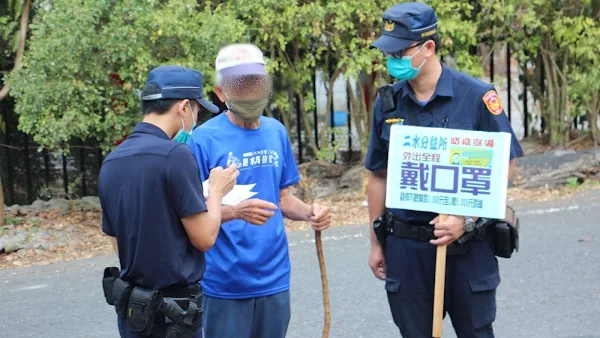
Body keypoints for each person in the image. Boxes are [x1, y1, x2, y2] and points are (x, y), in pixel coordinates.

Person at [365, 2, 524, 338]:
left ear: (428, 47)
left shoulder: (477, 96)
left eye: (400, 51)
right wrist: (376, 242)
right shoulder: (388, 102)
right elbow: (378, 175)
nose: (392, 60)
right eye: (388, 52)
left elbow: (505, 164)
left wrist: (464, 217)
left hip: (468, 245)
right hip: (406, 247)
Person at [187, 43, 332, 338]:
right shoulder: (202, 140)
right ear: (220, 92)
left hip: (274, 277)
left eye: (256, 83)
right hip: (224, 281)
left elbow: (282, 199)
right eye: (240, 85)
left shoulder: (276, 131)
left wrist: (310, 213)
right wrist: (235, 213)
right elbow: (193, 215)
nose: (250, 93)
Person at [98, 65, 240, 338]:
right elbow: (204, 238)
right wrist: (218, 190)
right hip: (173, 315)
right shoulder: (176, 155)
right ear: (184, 107)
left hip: (133, 313)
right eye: (198, 110)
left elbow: (118, 242)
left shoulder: (112, 161)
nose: (196, 118)